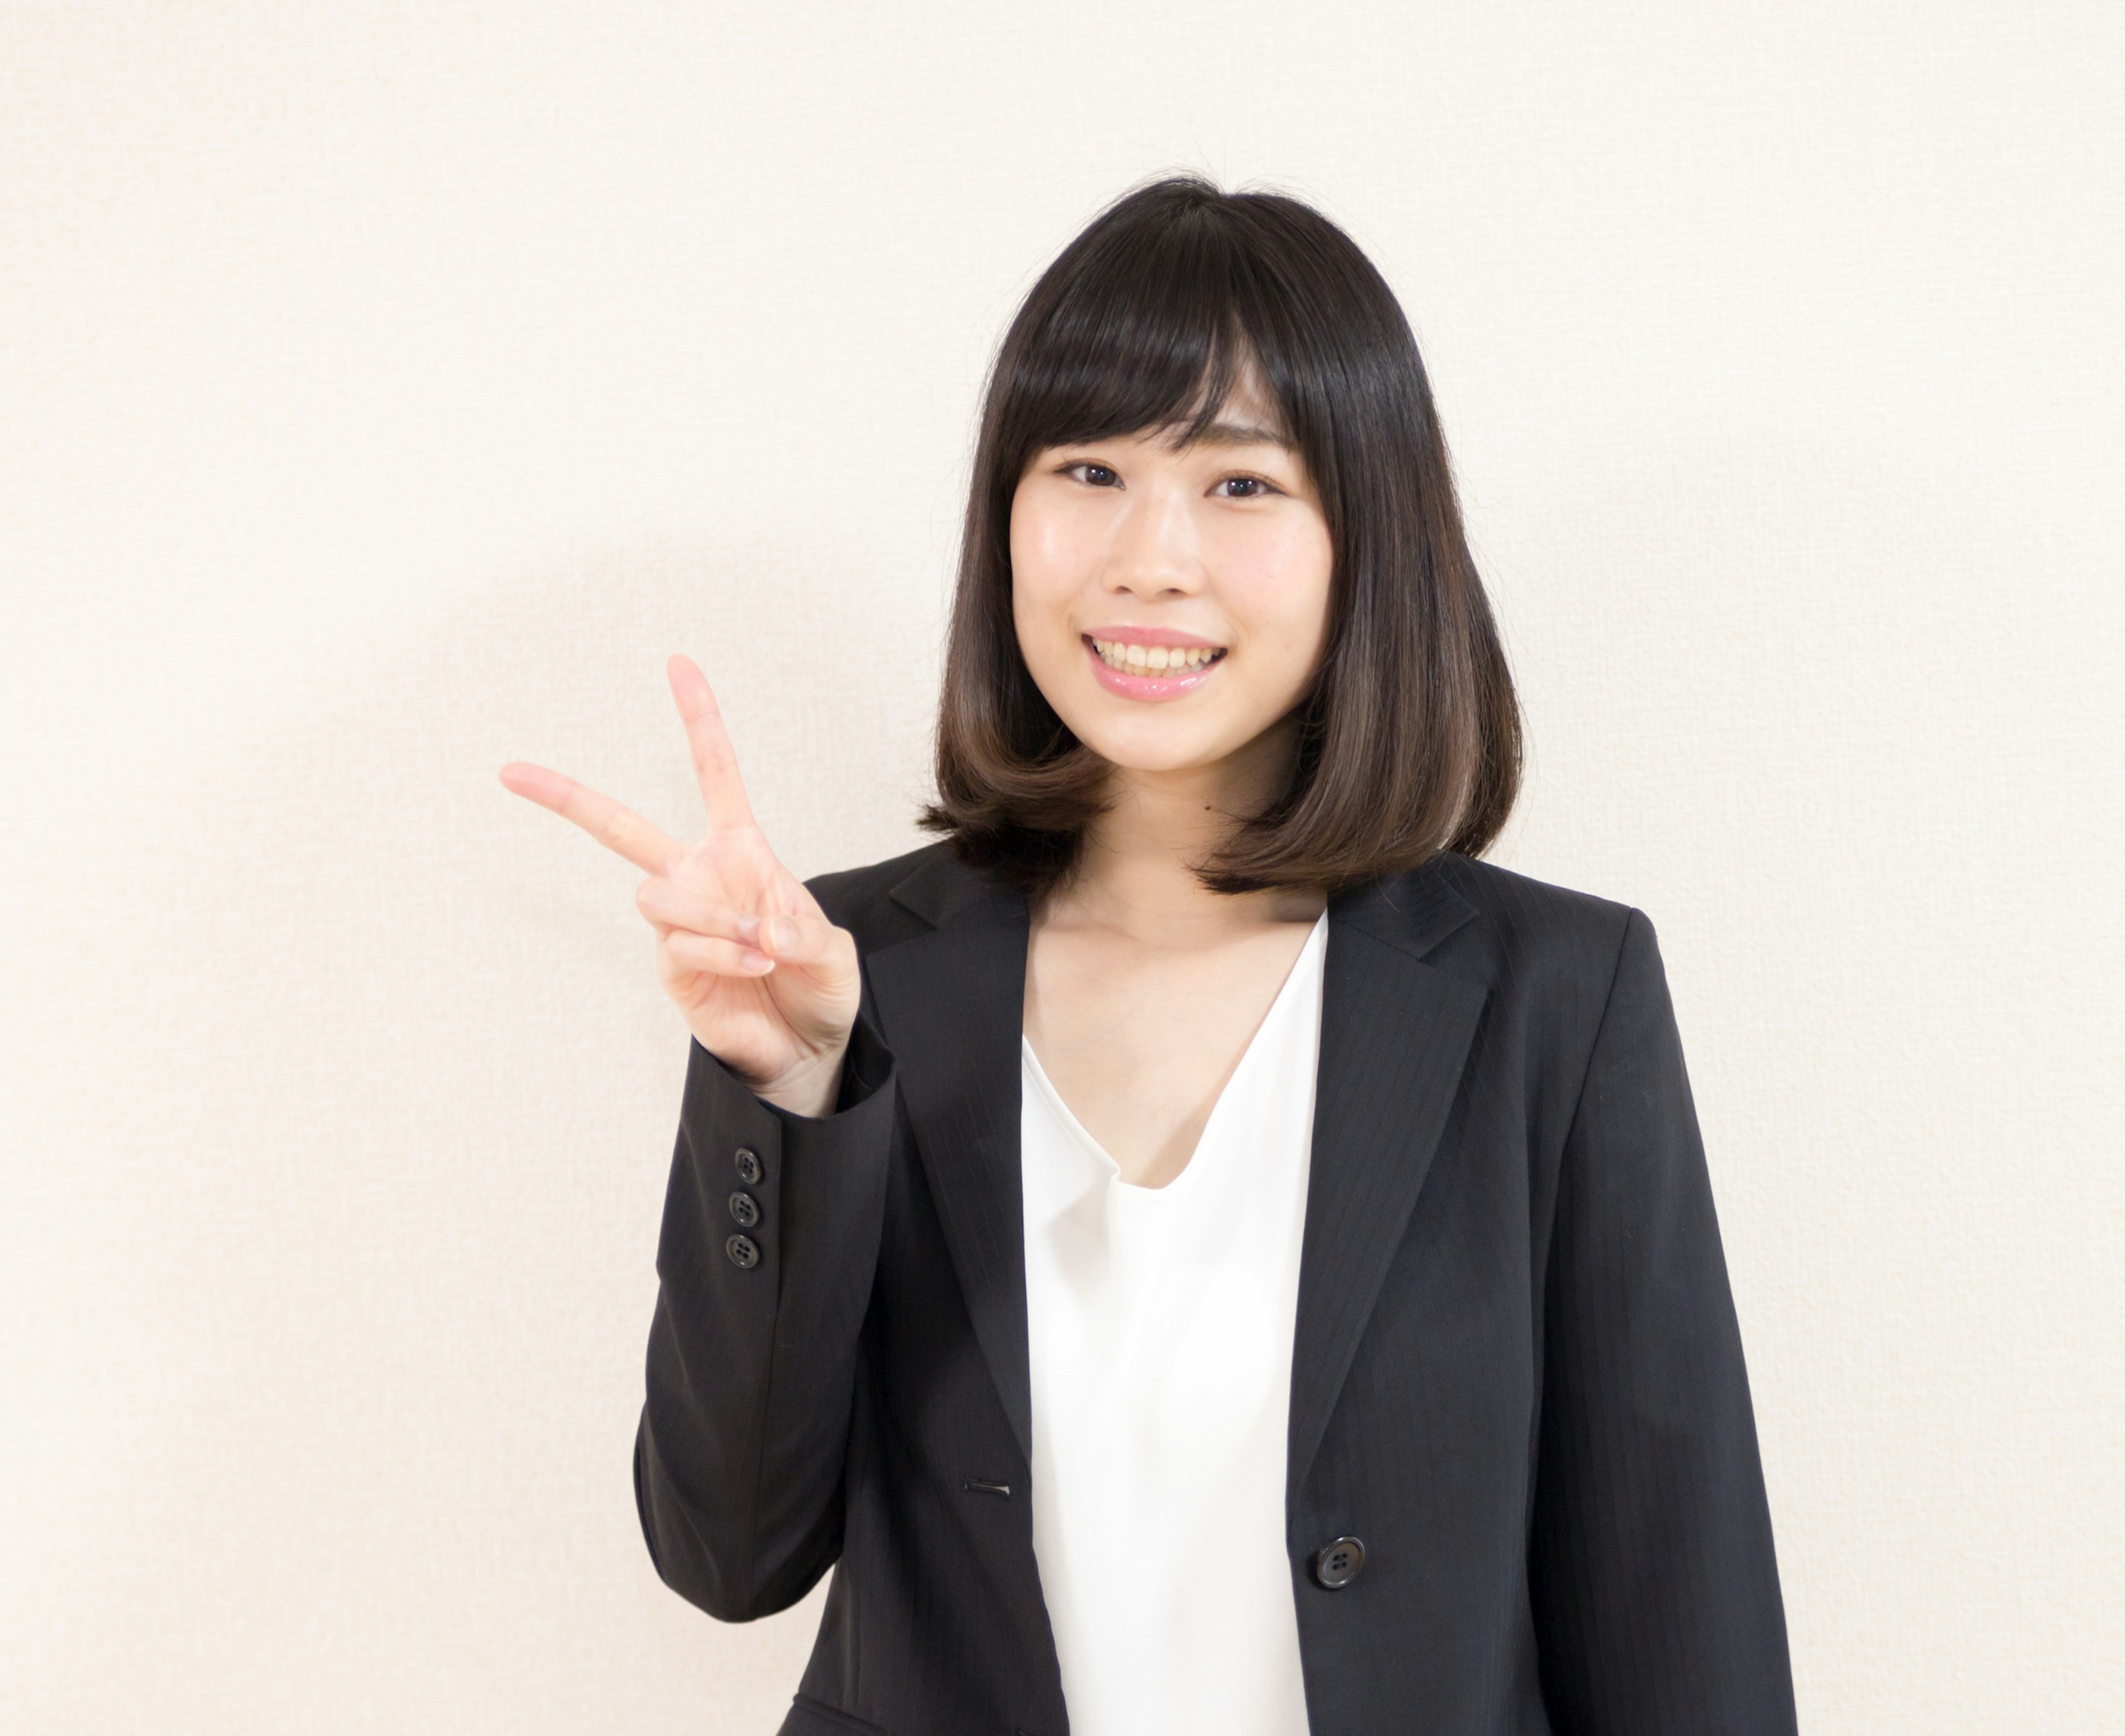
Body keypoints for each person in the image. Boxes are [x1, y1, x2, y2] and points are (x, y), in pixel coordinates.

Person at [499, 176, 1796, 1736]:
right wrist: (787, 1088)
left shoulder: (1553, 999)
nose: (1147, 558)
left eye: (1241, 485)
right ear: (1006, 513)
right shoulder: (850, 972)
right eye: (1090, 469)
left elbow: (1681, 1629)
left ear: (1362, 537)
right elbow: (727, 1550)